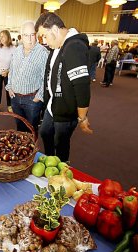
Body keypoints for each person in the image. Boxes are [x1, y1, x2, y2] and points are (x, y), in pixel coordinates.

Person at [35, 12, 93, 162]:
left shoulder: (74, 46)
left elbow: (82, 86)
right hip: (53, 105)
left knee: (60, 143)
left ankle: (60, 167)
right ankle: (50, 159)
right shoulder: (59, 47)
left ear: (54, 30)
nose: (44, 41)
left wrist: (82, 118)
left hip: (66, 110)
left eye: (44, 36)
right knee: (45, 132)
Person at [5, 21, 48, 133]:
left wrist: (38, 97)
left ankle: (32, 150)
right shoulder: (17, 51)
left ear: (36, 35)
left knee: (32, 130)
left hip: (32, 100)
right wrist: (9, 87)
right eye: (26, 35)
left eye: (32, 35)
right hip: (15, 98)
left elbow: (47, 78)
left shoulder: (43, 53)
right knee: (19, 129)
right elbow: (12, 71)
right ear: (21, 36)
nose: (29, 39)